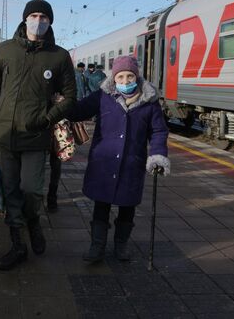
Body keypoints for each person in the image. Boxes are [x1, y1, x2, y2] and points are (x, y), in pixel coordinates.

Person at [0, 0, 76, 271]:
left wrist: (47, 119)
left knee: (32, 190)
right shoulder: (5, 49)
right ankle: (17, 245)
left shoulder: (59, 56)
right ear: (24, 19)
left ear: (50, 22)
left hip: (36, 136)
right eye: (33, 16)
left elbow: (71, 97)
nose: (38, 21)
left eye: (43, 17)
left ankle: (33, 221)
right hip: (4, 136)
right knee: (11, 191)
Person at [67, 56, 169, 262]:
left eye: (129, 76)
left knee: (127, 207)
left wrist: (157, 155)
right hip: (104, 162)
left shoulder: (149, 103)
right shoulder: (103, 97)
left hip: (132, 163)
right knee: (101, 206)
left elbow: (158, 131)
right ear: (114, 79)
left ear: (137, 76)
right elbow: (78, 111)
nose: (125, 81)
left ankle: (121, 245)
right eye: (120, 77)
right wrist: (63, 103)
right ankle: (97, 246)